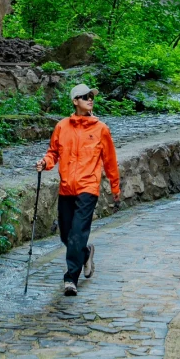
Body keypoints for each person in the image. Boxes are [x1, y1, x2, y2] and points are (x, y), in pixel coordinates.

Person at [37, 83, 120, 296]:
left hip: (88, 188)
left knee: (77, 233)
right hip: (66, 188)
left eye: (91, 96)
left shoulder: (101, 129)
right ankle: (85, 254)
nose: (90, 99)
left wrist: (115, 188)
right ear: (75, 101)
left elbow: (110, 161)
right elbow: (53, 153)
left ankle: (70, 279)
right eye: (85, 96)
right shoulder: (62, 127)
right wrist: (44, 163)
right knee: (66, 235)